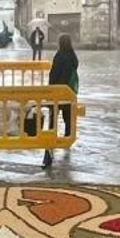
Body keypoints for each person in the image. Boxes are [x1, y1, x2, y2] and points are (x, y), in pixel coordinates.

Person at [46, 34, 79, 166]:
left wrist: (50, 89)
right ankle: (67, 140)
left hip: (57, 92)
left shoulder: (59, 56)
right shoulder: (73, 56)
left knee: (53, 115)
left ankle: (51, 138)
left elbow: (54, 74)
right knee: (67, 116)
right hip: (69, 92)